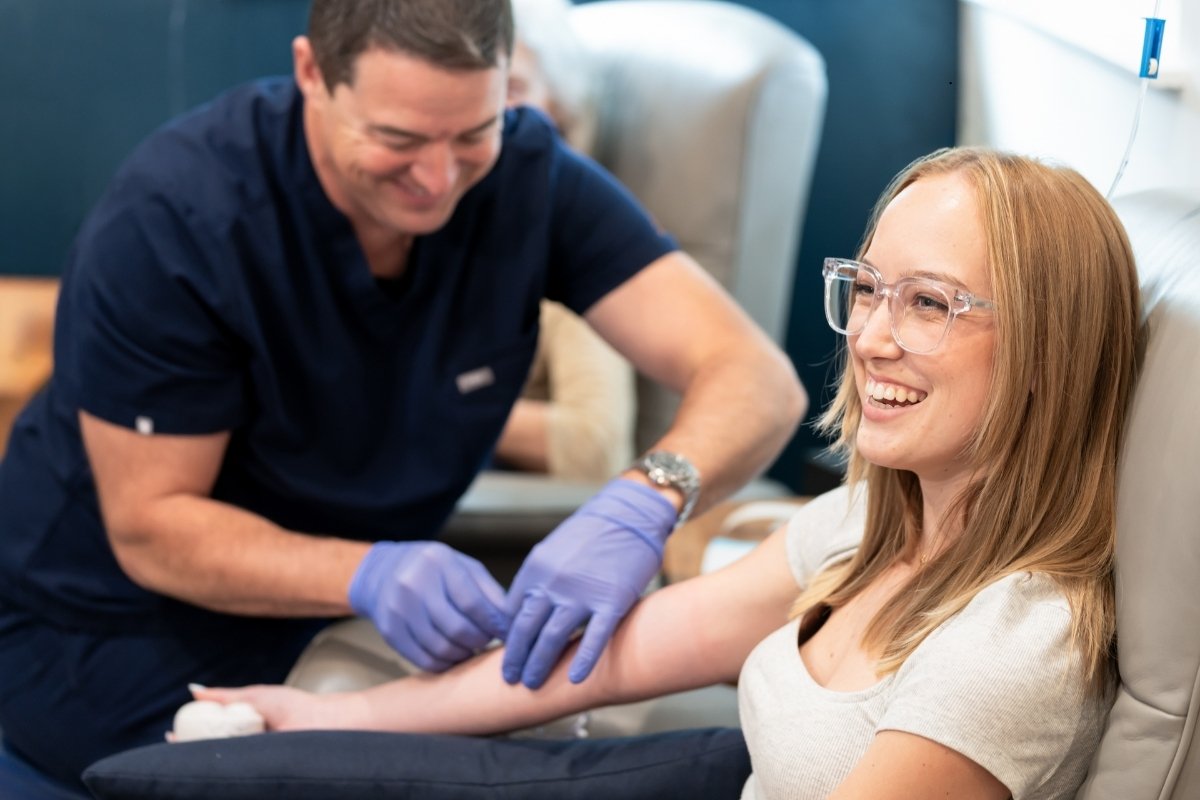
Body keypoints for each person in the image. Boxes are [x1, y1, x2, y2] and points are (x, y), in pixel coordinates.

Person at [0, 0, 806, 786]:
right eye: (397, 138)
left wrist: (644, 498)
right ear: (312, 73)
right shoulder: (179, 219)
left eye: (473, 133)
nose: (438, 178)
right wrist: (369, 573)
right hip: (113, 630)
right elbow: (151, 529)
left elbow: (757, 380)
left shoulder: (527, 178)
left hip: (351, 630)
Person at [201, 147, 1144, 799]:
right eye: (865, 289)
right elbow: (605, 658)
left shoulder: (1011, 648)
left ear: (1045, 347)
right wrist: (328, 719)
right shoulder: (863, 524)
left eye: (929, 304)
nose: (869, 336)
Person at [491, 0, 637, 480]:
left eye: (509, 88)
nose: (487, 112)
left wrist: (427, 409)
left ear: (558, 111)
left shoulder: (577, 240)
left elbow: (595, 442)